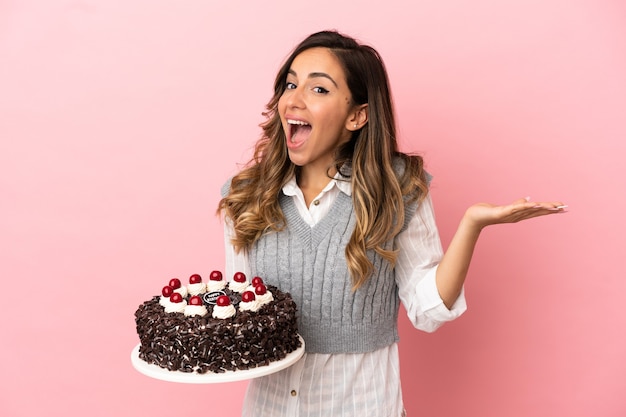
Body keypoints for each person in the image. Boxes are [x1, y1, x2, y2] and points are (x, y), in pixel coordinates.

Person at [217, 30, 566, 417]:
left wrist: (472, 225)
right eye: (290, 84)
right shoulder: (247, 197)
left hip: (363, 405)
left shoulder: (396, 190)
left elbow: (428, 309)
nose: (294, 100)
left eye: (319, 90)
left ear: (357, 115)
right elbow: (237, 313)